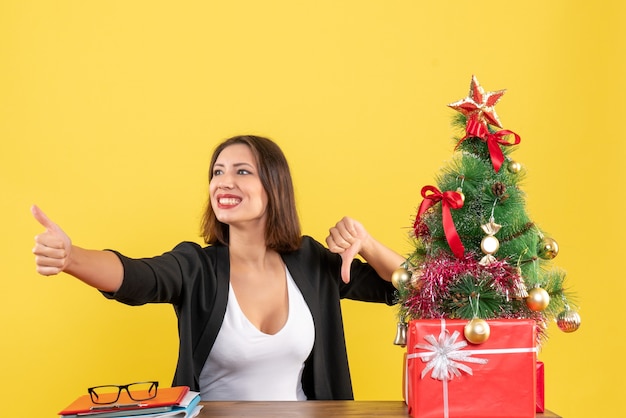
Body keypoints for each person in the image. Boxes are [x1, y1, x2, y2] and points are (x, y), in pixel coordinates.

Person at [32, 135, 405, 401]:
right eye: (217, 172)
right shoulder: (197, 267)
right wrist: (71, 257)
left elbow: (410, 286)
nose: (223, 182)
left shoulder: (310, 261)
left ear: (274, 187)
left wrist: (368, 244)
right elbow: (137, 276)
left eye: (242, 172)